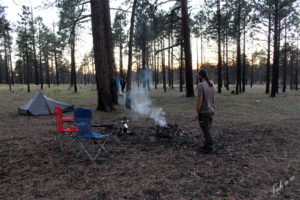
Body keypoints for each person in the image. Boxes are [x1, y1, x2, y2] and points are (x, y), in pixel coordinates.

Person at [194, 69, 216, 153]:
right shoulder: (212, 84)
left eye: (198, 75)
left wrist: (197, 112)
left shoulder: (201, 85)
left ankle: (210, 145)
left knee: (205, 130)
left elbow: (199, 100)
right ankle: (207, 144)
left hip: (204, 111)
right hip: (211, 110)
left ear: (200, 76)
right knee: (208, 128)